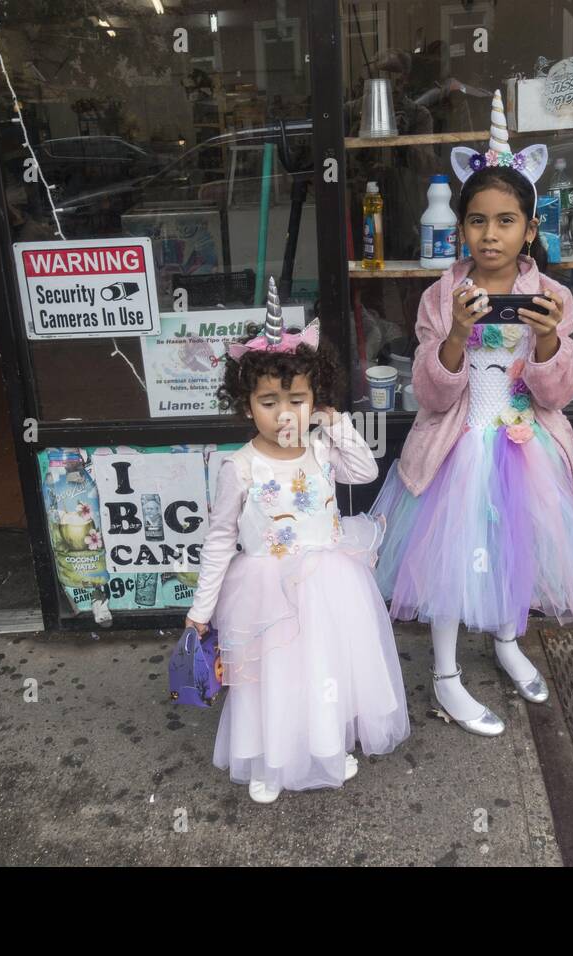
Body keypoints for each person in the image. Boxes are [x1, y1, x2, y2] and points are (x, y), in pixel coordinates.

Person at [369, 93, 573, 738]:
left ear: (530, 230)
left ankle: (509, 641)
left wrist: (546, 342)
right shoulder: (440, 293)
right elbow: (430, 394)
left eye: (506, 221)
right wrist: (453, 333)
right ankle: (447, 676)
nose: (490, 235)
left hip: (523, 445)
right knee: (449, 559)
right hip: (455, 448)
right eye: (477, 221)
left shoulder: (553, 295)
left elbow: (560, 393)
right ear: (461, 229)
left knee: (515, 549)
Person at [185, 282, 410, 804]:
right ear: (246, 405)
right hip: (264, 590)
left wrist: (335, 423)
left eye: (298, 400)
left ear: (315, 400)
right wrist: (201, 609)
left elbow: (366, 468)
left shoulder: (322, 448)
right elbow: (219, 540)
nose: (284, 413)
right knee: (271, 678)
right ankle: (271, 758)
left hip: (329, 583)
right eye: (268, 401)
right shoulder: (238, 467)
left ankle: (328, 745)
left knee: (325, 669)